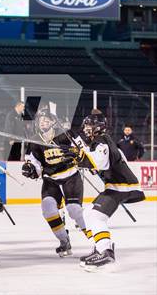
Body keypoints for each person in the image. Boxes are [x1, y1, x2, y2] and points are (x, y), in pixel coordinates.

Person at [64, 110, 145, 271]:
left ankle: (106, 251)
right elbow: (97, 161)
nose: (86, 128)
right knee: (89, 214)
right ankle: (99, 248)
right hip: (118, 185)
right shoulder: (102, 141)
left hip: (121, 186)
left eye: (89, 125)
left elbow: (99, 162)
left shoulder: (102, 141)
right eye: (86, 124)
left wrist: (80, 157)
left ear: (99, 127)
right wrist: (79, 157)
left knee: (95, 215)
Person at [22, 108, 88, 257]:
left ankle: (99, 241)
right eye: (41, 120)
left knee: (74, 211)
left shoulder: (67, 135)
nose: (43, 122)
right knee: (48, 210)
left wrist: (76, 153)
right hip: (51, 180)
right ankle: (64, 241)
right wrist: (31, 169)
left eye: (46, 120)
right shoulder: (34, 140)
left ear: (53, 122)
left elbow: (83, 151)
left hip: (70, 176)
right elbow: (35, 163)